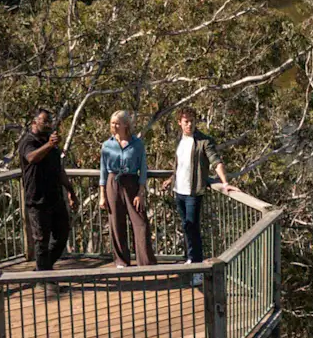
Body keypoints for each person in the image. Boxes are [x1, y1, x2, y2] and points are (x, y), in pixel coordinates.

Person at [162, 105, 235, 283]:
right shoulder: (180, 140)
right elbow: (180, 165)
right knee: (186, 226)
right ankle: (190, 258)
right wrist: (171, 179)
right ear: (180, 123)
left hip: (193, 192)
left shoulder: (203, 141)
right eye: (186, 122)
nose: (190, 125)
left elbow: (215, 161)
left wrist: (225, 182)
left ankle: (198, 269)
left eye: (192, 121)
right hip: (179, 190)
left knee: (193, 227)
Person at [17, 109, 75, 273]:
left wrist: (70, 191)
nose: (48, 124)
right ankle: (44, 279)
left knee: (62, 234)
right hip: (37, 199)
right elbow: (31, 158)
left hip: (55, 197)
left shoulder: (53, 147)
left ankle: (43, 270)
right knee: (41, 240)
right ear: (34, 122)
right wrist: (49, 145)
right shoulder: (28, 142)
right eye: (44, 121)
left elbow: (59, 170)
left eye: (50, 121)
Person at [99, 110, 152, 266]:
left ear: (126, 124)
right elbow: (103, 170)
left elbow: (143, 169)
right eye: (112, 123)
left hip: (132, 182)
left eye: (117, 123)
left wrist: (141, 192)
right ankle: (121, 261)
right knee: (115, 222)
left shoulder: (137, 144)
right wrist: (102, 194)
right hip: (112, 182)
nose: (114, 126)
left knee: (140, 222)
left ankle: (146, 262)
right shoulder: (107, 145)